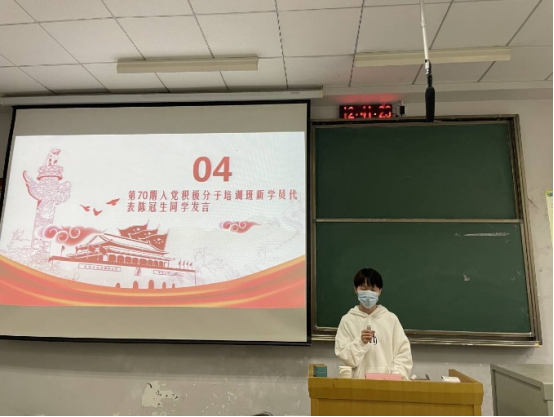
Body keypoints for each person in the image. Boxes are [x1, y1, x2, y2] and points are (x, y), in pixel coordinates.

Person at [335, 268, 413, 380]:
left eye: (372, 289)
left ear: (379, 291)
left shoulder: (391, 319)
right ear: (356, 289)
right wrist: (360, 342)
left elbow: (403, 353)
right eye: (364, 289)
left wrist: (394, 375)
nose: (368, 293)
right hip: (358, 384)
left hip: (387, 383)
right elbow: (346, 357)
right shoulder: (348, 320)